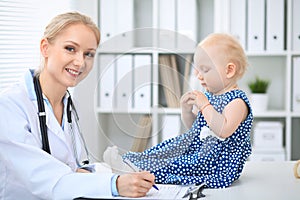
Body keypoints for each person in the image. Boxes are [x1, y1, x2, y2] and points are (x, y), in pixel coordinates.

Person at [0, 11, 155, 199]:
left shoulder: (67, 104)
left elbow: (74, 168)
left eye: (88, 54)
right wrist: (114, 184)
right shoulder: (9, 106)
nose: (81, 62)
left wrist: (121, 177)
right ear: (45, 48)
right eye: (70, 49)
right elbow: (46, 179)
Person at [104, 33, 253, 188]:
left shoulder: (236, 101)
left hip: (216, 162)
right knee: (165, 150)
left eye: (205, 70)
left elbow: (223, 130)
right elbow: (198, 129)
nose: (198, 76)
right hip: (200, 151)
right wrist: (187, 111)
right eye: (197, 69)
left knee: (176, 163)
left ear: (229, 71)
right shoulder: (211, 96)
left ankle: (138, 172)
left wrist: (205, 106)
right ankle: (131, 162)